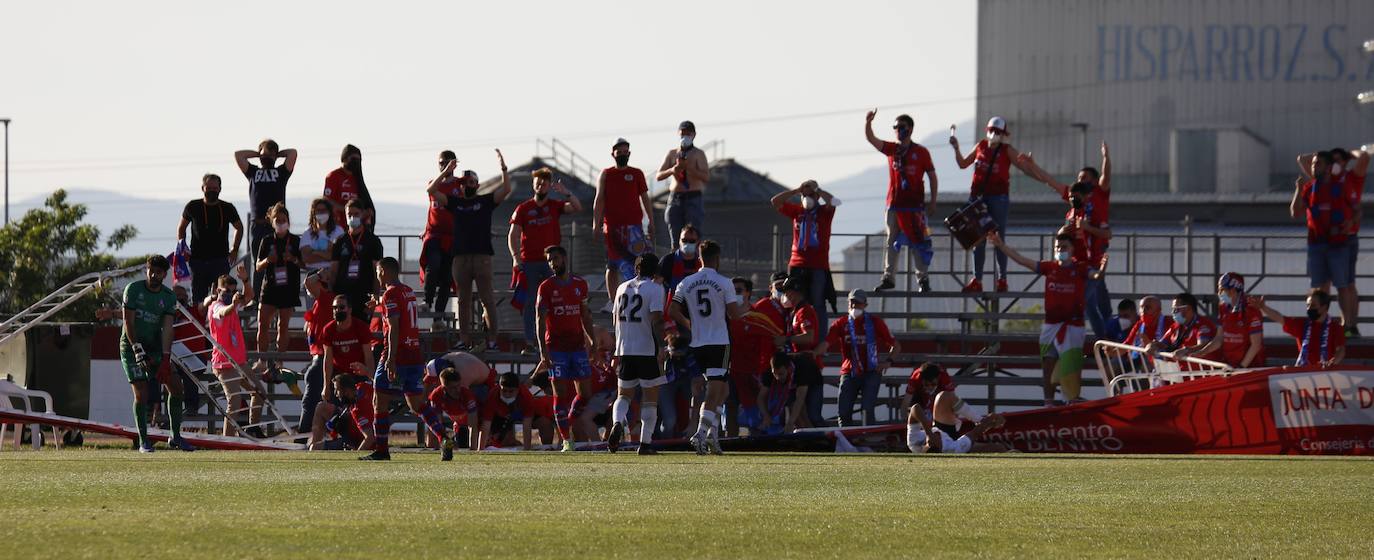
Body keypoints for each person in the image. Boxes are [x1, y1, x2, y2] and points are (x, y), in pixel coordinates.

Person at [988, 231, 1105, 405]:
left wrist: (1102, 268)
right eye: (1058, 247)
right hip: (1050, 326)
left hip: (1073, 326)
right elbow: (1021, 260)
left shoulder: (1080, 268)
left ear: (1072, 249)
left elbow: (1095, 276)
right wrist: (1001, 245)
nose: (1060, 250)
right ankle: (1048, 402)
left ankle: (1071, 400)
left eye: (1064, 247)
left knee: (1070, 366)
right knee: (1048, 365)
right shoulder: (1049, 267)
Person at [358, 258, 452, 461]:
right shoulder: (407, 291)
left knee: (379, 401)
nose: (377, 275)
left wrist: (390, 359)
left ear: (382, 271)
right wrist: (378, 303)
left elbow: (393, 326)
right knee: (417, 403)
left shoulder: (391, 293)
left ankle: (382, 450)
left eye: (377, 271)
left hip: (396, 354)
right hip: (414, 354)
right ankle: (444, 438)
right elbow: (396, 307)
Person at [1020, 142, 1114, 338]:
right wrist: (1033, 166)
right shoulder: (1073, 204)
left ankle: (1109, 340)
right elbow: (1050, 181)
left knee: (1093, 303)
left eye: (1085, 178)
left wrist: (1106, 158)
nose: (1080, 181)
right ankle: (1106, 340)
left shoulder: (1099, 195)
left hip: (1094, 257)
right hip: (1080, 261)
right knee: (1090, 304)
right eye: (1079, 178)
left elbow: (1106, 177)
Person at [668, 240, 744, 454]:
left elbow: (673, 310)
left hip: (698, 342)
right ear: (717, 258)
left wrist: (688, 323)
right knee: (714, 392)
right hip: (718, 342)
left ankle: (713, 436)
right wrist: (746, 314)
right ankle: (701, 434)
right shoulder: (724, 282)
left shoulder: (686, 282)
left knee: (723, 390)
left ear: (700, 257)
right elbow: (734, 314)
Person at [435, 149, 512, 349]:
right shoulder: (455, 202)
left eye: (470, 183)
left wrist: (503, 167)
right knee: (463, 301)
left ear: (476, 185)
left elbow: (506, 189)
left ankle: (493, 338)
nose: (466, 186)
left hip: (482, 257)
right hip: (460, 258)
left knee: (487, 298)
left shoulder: (485, 201)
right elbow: (432, 191)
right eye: (463, 183)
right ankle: (464, 338)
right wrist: (446, 172)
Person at [120, 256, 193, 453]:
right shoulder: (133, 290)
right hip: (131, 347)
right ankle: (143, 441)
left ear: (164, 274)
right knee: (141, 392)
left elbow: (168, 329)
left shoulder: (169, 297)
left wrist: (166, 358)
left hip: (155, 348)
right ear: (147, 269)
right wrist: (136, 348)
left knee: (176, 387)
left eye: (158, 272)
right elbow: (129, 323)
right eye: (151, 270)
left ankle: (175, 437)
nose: (153, 275)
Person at [951, 117, 1032, 293]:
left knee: (998, 239)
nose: (993, 134)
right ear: (987, 130)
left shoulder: (1007, 150)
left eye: (997, 132)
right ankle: (977, 280)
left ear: (1003, 135)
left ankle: (1002, 278)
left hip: (998, 198)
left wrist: (1028, 164)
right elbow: (963, 164)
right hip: (978, 197)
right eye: (991, 130)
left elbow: (1022, 166)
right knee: (977, 239)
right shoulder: (980, 146)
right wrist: (956, 149)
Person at [509, 167, 583, 354]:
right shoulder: (523, 208)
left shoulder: (555, 206)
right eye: (538, 183)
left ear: (549, 186)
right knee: (530, 303)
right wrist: (516, 258)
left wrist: (566, 192)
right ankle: (530, 342)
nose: (541, 186)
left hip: (552, 262)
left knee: (558, 300)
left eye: (544, 183)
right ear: (533, 185)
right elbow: (513, 235)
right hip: (530, 262)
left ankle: (555, 339)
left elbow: (577, 207)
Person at [865, 110, 937, 292]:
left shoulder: (921, 152)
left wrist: (933, 200)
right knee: (891, 241)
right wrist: (868, 123)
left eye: (901, 127)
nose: (898, 130)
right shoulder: (892, 149)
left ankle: (923, 279)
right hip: (894, 205)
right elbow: (872, 139)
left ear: (910, 129)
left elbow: (932, 176)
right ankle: (889, 278)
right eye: (895, 127)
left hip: (914, 207)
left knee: (918, 241)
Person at [534, 245, 596, 452]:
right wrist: (543, 350)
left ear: (565, 258)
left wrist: (592, 340)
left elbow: (585, 315)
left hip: (577, 346)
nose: (553, 263)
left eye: (556, 259)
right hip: (556, 347)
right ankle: (566, 439)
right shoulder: (546, 287)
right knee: (559, 394)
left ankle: (567, 421)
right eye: (550, 260)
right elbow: (540, 320)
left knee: (585, 393)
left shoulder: (580, 284)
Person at [1292, 150, 1359, 338]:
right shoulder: (1309, 188)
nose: (1313, 167)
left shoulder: (1341, 186)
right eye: (1313, 164)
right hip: (1316, 245)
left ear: (1329, 167)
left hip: (1338, 245)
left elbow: (1357, 210)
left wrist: (1349, 223)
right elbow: (1295, 212)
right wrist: (1298, 188)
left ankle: (1348, 327)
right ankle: (1321, 325)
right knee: (1319, 287)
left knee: (1343, 285)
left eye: (1318, 163)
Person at [609, 253, 667, 454]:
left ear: (636, 269)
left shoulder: (621, 288)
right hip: (647, 349)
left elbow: (615, 319)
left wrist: (617, 347)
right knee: (650, 399)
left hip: (625, 349)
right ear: (655, 271)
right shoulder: (656, 289)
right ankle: (645, 444)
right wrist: (663, 347)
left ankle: (617, 422)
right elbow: (656, 319)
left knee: (623, 395)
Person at [771, 179, 840, 339]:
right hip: (797, 263)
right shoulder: (797, 211)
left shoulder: (824, 212)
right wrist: (797, 190)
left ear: (817, 196)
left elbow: (834, 201)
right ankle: (795, 335)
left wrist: (818, 190)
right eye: (805, 194)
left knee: (818, 303)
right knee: (793, 301)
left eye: (811, 195)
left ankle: (819, 338)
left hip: (818, 265)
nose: (808, 197)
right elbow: (775, 201)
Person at [818, 290, 897, 427]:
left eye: (858, 303)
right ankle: (845, 442)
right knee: (843, 410)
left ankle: (867, 439)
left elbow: (896, 345)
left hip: (871, 370)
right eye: (852, 302)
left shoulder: (875, 322)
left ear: (865, 305)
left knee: (867, 409)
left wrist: (888, 362)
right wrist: (815, 353)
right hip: (850, 371)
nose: (854, 306)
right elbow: (826, 343)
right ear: (848, 303)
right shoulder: (841, 323)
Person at [595, 138, 655, 313]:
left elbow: (645, 198)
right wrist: (596, 223)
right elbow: (599, 199)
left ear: (629, 153)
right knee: (612, 265)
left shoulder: (636, 173)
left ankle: (639, 296)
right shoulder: (606, 174)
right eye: (619, 152)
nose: (622, 154)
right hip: (612, 228)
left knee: (637, 262)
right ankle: (612, 301)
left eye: (625, 151)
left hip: (634, 227)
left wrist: (650, 220)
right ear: (613, 153)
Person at [206, 268, 264, 437]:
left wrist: (246, 281)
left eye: (233, 290)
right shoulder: (216, 306)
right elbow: (224, 312)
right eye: (227, 290)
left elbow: (249, 296)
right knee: (235, 402)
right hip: (224, 363)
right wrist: (233, 303)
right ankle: (227, 441)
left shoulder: (233, 305)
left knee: (259, 392)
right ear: (218, 291)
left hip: (239, 362)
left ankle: (253, 429)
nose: (231, 293)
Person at [234, 139, 298, 290]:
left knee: (280, 260)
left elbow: (293, 153)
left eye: (270, 155)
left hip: (276, 225)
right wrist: (258, 154)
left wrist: (276, 154)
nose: (266, 158)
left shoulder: (281, 172)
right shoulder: (253, 172)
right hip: (258, 225)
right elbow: (238, 155)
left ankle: (282, 292)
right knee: (258, 261)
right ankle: (256, 297)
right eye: (264, 155)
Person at [177, 173, 244, 304]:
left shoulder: (227, 207)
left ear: (220, 189)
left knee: (221, 297)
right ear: (203, 188)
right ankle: (199, 324)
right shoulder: (193, 206)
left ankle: (220, 323)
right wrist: (182, 248)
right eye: (209, 188)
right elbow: (181, 228)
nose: (212, 191)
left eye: (215, 188)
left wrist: (235, 249)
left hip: (220, 260)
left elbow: (239, 227)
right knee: (198, 299)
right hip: (197, 261)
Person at [253, 202, 303, 367]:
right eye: (278, 220)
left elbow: (304, 264)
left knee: (283, 326)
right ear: (272, 221)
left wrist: (293, 259)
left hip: (288, 288)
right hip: (270, 288)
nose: (281, 223)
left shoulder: (296, 240)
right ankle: (262, 359)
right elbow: (257, 266)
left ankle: (280, 361)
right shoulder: (267, 241)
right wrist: (268, 260)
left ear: (288, 221)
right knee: (263, 323)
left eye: (284, 220)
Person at [774, 275, 826, 429]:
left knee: (811, 414)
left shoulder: (804, 311)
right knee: (800, 412)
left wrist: (786, 339)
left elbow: (809, 337)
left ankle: (822, 443)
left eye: (788, 292)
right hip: (799, 364)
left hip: (808, 365)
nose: (785, 296)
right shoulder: (795, 311)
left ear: (796, 292)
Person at [1252, 289, 1346, 368]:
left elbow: (1341, 350)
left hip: (1326, 373)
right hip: (1303, 373)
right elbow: (1280, 318)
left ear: (1324, 307)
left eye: (1313, 305)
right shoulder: (1302, 324)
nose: (1309, 309)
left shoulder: (1336, 328)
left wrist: (1331, 363)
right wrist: (1263, 308)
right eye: (1307, 305)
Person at [1190, 273, 1266, 369]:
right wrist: (1203, 352)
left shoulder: (1251, 310)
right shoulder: (1223, 308)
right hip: (1230, 366)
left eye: (1222, 289)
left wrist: (1241, 367)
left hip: (1250, 369)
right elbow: (1219, 338)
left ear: (1233, 290)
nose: (1219, 293)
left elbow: (1256, 345)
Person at [422, 151, 464, 317]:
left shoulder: (460, 185)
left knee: (447, 275)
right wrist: (425, 230)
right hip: (434, 234)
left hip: (452, 236)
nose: (445, 166)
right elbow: (431, 207)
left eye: (448, 163)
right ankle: (427, 300)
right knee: (433, 265)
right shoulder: (434, 183)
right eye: (441, 163)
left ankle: (439, 313)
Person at [656, 121, 710, 249]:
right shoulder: (672, 153)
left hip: (693, 197)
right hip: (676, 197)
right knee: (674, 233)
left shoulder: (698, 154)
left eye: (688, 133)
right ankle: (675, 260)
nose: (685, 136)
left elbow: (706, 177)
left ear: (694, 135)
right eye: (682, 133)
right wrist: (672, 170)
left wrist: (689, 168)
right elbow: (659, 175)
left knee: (693, 233)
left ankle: (694, 261)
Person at [329, 199, 385, 318]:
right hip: (342, 295)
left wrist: (375, 297)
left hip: (364, 295)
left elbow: (377, 273)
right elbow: (333, 271)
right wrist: (331, 295)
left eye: (356, 214)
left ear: (362, 214)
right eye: (349, 214)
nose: (352, 217)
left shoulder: (373, 241)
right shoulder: (339, 241)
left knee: (362, 331)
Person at [479, 372, 554, 450]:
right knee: (504, 441)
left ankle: (546, 448)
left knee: (545, 424)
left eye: (511, 391)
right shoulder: (493, 395)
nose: (507, 394)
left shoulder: (526, 396)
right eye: (504, 391)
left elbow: (527, 425)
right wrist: (480, 450)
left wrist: (527, 450)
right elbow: (486, 425)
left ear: (518, 390)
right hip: (501, 417)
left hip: (521, 413)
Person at [298, 271, 334, 433]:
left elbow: (308, 282)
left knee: (310, 402)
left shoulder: (326, 298)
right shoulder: (319, 303)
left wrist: (322, 272)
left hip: (322, 358)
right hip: (319, 357)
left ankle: (303, 436)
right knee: (316, 402)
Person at [1144, 292, 1218, 370]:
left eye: (1176, 309)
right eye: (1173, 309)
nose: (1173, 312)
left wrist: (1186, 350)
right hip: (1180, 374)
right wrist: (1152, 345)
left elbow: (1203, 346)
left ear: (1188, 308)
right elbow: (1163, 342)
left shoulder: (1203, 325)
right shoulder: (1176, 326)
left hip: (1202, 374)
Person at [906, 405, 1007, 454]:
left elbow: (915, 408)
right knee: (999, 448)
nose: (933, 442)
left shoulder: (914, 442)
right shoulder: (951, 448)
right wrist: (990, 420)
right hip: (954, 436)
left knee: (945, 396)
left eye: (930, 445)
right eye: (936, 445)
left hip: (937, 425)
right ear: (941, 448)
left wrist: (929, 433)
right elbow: (975, 433)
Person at [428, 367, 481, 457]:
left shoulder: (467, 395)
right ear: (444, 388)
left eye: (458, 386)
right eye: (453, 388)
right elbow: (436, 423)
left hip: (478, 424)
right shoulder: (436, 395)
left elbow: (473, 425)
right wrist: (436, 449)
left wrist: (473, 451)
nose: (457, 390)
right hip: (459, 425)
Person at [323, 144, 375, 229]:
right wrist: (347, 210)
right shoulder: (334, 176)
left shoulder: (358, 179)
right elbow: (327, 201)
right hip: (338, 227)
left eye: (358, 160)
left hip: (355, 228)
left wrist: (367, 211)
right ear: (344, 159)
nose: (356, 162)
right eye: (353, 159)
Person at [750, 353, 802, 436]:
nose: (777, 377)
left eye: (781, 374)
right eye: (775, 373)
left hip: (807, 386)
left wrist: (790, 422)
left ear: (788, 369)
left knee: (803, 413)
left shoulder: (799, 371)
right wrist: (766, 415)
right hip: (780, 394)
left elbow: (800, 399)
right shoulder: (769, 374)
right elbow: (761, 398)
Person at [300, 198, 345, 274]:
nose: (321, 213)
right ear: (313, 213)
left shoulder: (339, 231)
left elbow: (337, 256)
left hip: (332, 272)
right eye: (318, 210)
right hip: (312, 272)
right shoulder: (307, 233)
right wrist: (328, 253)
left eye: (324, 210)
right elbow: (306, 258)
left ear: (329, 212)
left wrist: (315, 252)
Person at [656, 225, 703, 295]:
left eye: (691, 241)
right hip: (673, 302)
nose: (687, 244)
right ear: (679, 241)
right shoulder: (668, 260)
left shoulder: (702, 262)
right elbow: (656, 284)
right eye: (684, 240)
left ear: (698, 242)